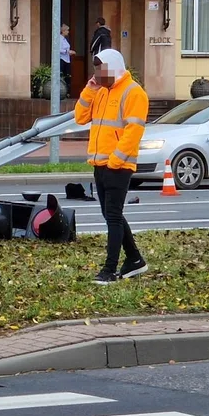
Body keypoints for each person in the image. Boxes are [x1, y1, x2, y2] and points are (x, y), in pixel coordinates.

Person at [74, 49, 149, 284]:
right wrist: (90, 89)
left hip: (118, 165)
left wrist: (116, 160)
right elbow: (80, 117)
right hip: (100, 163)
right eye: (96, 69)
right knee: (110, 214)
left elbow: (133, 130)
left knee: (113, 216)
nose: (98, 73)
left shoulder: (133, 92)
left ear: (114, 68)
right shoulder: (102, 91)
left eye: (101, 69)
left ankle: (109, 270)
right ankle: (135, 259)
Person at [58, 24, 76, 94]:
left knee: (67, 76)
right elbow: (59, 49)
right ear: (63, 31)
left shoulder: (64, 39)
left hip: (67, 59)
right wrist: (67, 52)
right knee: (63, 75)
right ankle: (63, 91)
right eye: (67, 30)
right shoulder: (59, 39)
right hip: (62, 59)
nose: (68, 32)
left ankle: (66, 91)